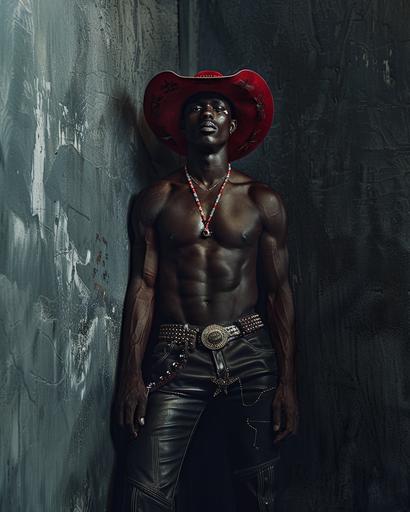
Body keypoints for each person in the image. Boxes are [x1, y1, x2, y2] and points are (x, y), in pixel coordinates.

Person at [115, 69, 299, 511]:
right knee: (144, 493)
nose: (208, 114)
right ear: (182, 125)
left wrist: (289, 382)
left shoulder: (261, 200)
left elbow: (278, 294)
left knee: (260, 491)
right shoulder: (157, 198)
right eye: (197, 106)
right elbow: (143, 287)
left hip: (250, 352)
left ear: (233, 127)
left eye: (219, 107)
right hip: (175, 355)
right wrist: (131, 376)